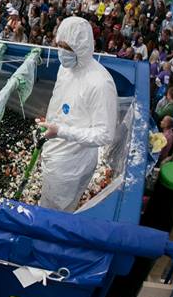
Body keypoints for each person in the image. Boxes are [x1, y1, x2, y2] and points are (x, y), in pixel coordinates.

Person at [39, 16, 119, 212]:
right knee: (47, 201)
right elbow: (62, 101)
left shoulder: (99, 84)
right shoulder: (66, 68)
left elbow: (105, 134)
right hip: (54, 149)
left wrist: (61, 130)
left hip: (71, 165)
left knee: (58, 210)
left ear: (82, 48)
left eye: (67, 48)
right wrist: (51, 122)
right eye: (59, 45)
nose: (61, 52)